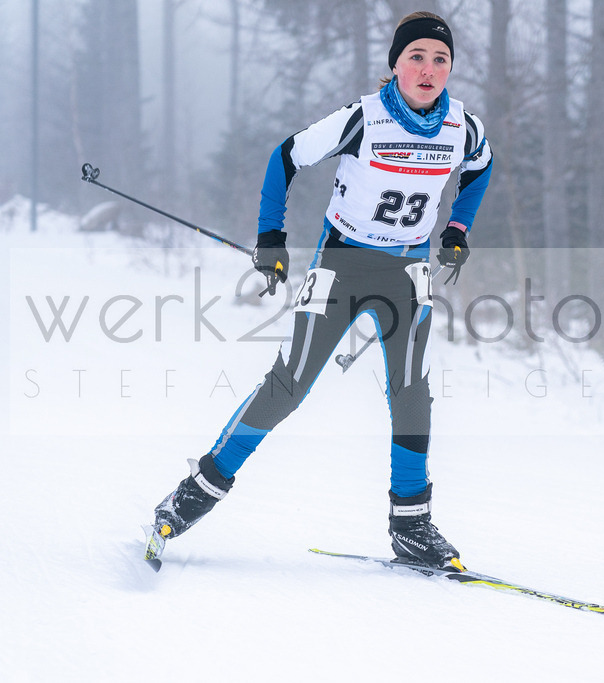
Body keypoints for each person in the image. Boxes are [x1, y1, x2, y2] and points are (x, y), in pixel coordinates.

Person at [145, 11, 492, 571]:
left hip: (406, 275)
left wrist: (457, 229)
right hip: (341, 267)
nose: (429, 69)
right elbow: (285, 157)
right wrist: (271, 237)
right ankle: (193, 494)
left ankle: (412, 526)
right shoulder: (364, 118)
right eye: (417, 57)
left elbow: (481, 168)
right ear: (396, 65)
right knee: (288, 386)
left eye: (440, 59)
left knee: (411, 391)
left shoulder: (463, 128)